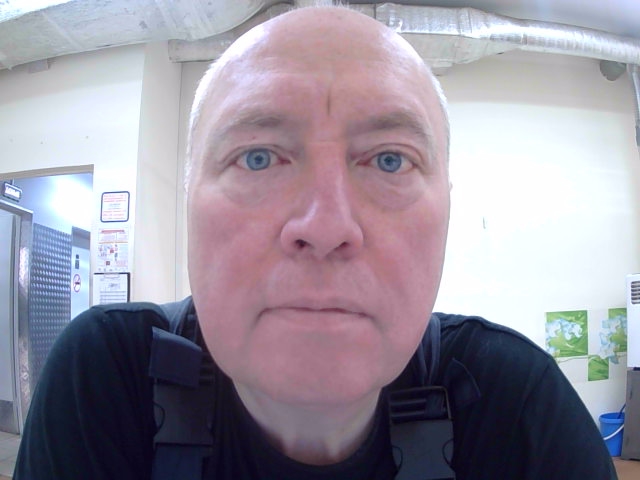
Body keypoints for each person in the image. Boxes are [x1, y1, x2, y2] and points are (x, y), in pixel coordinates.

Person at [15, 5, 617, 480]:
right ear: (188, 202)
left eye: (389, 160)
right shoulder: (106, 382)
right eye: (257, 157)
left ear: (448, 210)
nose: (326, 227)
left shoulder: (515, 406)